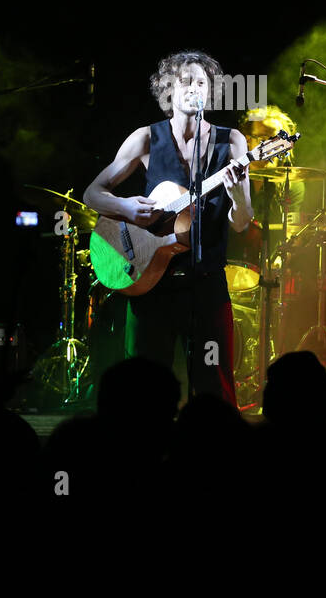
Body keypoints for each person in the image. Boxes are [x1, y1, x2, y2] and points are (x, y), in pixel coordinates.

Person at [84, 51, 253, 405]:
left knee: (214, 393)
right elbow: (93, 193)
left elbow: (241, 224)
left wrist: (238, 195)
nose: (194, 88)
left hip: (206, 287)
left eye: (202, 82)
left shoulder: (233, 142)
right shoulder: (145, 138)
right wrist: (126, 207)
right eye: (185, 81)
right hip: (150, 287)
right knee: (141, 396)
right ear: (168, 90)